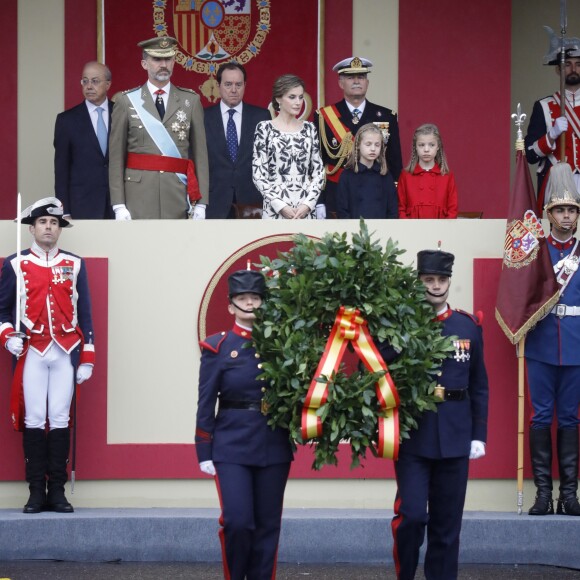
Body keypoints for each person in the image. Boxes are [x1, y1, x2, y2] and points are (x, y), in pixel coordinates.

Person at [391, 248, 488, 580]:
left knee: (447, 526)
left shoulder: (467, 326)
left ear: (449, 281)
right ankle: (404, 574)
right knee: (413, 516)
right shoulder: (403, 326)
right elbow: (375, 367)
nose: (436, 285)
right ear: (419, 282)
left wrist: (479, 434)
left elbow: (479, 385)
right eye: (429, 279)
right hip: (413, 435)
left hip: (456, 434)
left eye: (441, 279)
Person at [195, 270, 293, 579]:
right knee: (238, 522)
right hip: (231, 446)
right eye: (242, 298)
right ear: (230, 306)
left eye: (254, 298)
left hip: (273, 444)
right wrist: (204, 448)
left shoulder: (283, 345)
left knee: (267, 526)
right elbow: (206, 400)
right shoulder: (218, 347)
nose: (249, 303)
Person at [0, 197, 95, 514]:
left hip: (66, 350)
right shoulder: (15, 263)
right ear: (31, 228)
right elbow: (2, 311)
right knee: (34, 419)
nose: (49, 227)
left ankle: (57, 491)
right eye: (43, 222)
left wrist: (88, 358)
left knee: (58, 419)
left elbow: (86, 315)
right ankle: (35, 493)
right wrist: (7, 337)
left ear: (59, 229)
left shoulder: (75, 264)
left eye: (54, 223)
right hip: (32, 351)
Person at [524, 162, 580, 517]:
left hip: (576, 344)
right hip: (542, 342)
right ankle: (544, 493)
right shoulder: (535, 250)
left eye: (572, 210)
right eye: (560, 209)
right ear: (548, 212)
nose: (567, 216)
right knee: (541, 416)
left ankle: (570, 495)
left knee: (572, 418)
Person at [108, 36, 209, 219]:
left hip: (177, 195)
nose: (164, 64)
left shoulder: (191, 101)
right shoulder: (126, 101)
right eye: (157, 59)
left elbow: (201, 156)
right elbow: (116, 157)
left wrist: (201, 203)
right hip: (137, 196)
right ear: (144, 64)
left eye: (168, 59)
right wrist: (118, 204)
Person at [315, 56, 402, 217]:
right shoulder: (324, 117)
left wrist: (395, 198)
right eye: (350, 77)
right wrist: (320, 200)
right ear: (341, 83)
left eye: (361, 77)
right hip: (337, 194)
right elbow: (317, 163)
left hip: (377, 194)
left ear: (367, 83)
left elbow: (395, 162)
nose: (356, 81)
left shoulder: (386, 116)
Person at [252, 74, 325, 220]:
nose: (298, 102)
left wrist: (308, 205)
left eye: (300, 97)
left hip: (305, 210)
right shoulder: (264, 128)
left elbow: (319, 172)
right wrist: (280, 206)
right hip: (274, 210)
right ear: (278, 98)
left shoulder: (309, 128)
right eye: (292, 97)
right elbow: (258, 174)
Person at [204, 62, 271, 219]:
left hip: (253, 203)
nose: (233, 90)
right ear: (218, 85)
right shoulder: (203, 117)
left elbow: (268, 161)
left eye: (238, 84)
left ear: (245, 85)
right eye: (228, 84)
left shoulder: (261, 117)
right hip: (214, 201)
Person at [54, 61, 114, 219]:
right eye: (85, 81)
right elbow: (61, 170)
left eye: (95, 81)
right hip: (82, 205)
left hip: (118, 205)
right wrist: (64, 210)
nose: (89, 86)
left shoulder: (122, 114)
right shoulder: (67, 120)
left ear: (108, 84)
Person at [525, 45, 580, 213]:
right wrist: (552, 135)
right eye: (567, 64)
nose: (573, 69)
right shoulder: (543, 106)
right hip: (556, 184)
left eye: (578, 64)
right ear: (558, 70)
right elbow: (530, 154)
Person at [336, 122, 398, 219]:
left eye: (377, 145)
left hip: (382, 231)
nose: (373, 149)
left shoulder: (385, 175)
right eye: (368, 144)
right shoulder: (347, 175)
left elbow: (392, 210)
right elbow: (342, 210)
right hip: (354, 231)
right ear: (358, 145)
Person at [397, 123, 458, 219]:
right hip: (412, 229)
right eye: (421, 145)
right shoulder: (406, 175)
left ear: (438, 146)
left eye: (431, 145)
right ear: (415, 147)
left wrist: (445, 231)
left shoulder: (446, 175)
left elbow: (452, 210)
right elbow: (401, 208)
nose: (426, 149)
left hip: (441, 230)